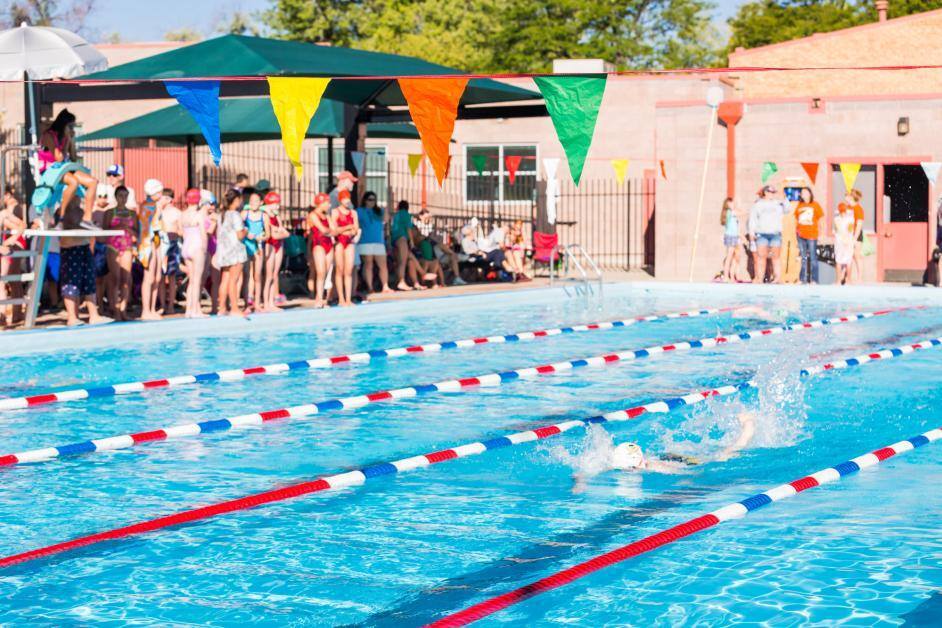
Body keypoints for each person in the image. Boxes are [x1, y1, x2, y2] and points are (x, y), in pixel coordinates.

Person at [37, 109, 98, 223]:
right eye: (70, 126)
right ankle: (61, 215)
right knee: (73, 182)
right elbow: (58, 158)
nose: (72, 129)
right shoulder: (48, 136)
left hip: (63, 169)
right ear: (63, 125)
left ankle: (87, 219)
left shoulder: (65, 137)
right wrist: (66, 141)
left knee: (93, 182)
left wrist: (70, 141)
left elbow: (74, 158)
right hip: (50, 171)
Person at [58, 199, 110, 326]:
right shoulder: (62, 212)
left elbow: (86, 225)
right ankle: (72, 316)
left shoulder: (82, 211)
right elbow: (70, 225)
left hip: (84, 246)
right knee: (71, 283)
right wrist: (87, 225)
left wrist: (92, 226)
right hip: (70, 248)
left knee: (89, 282)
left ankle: (94, 315)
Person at [102, 186, 138, 321]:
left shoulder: (132, 214)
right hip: (113, 246)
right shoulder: (110, 212)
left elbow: (136, 233)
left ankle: (123, 309)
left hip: (127, 246)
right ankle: (114, 308)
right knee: (115, 278)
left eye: (125, 196)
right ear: (116, 197)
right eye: (120, 196)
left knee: (126, 279)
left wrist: (128, 228)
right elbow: (104, 231)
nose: (123, 198)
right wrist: (118, 227)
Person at [213, 188, 248, 316]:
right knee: (234, 280)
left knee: (225, 280)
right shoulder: (235, 215)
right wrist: (246, 231)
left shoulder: (222, 214)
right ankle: (234, 308)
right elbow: (240, 235)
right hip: (235, 251)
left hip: (224, 250)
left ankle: (222, 308)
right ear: (237, 200)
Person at [747, 184, 789, 284]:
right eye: (770, 192)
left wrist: (785, 199)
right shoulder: (758, 204)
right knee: (761, 257)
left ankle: (777, 278)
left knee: (776, 257)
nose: (772, 194)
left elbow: (787, 210)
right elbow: (753, 219)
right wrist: (751, 233)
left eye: (773, 192)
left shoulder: (778, 204)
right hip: (762, 233)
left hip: (775, 234)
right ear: (765, 193)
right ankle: (760, 278)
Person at [137, 179, 166, 320]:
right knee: (148, 278)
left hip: (156, 243)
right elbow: (149, 228)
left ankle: (152, 309)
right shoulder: (147, 206)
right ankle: (145, 311)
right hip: (147, 245)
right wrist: (159, 209)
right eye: (159, 192)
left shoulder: (154, 205)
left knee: (157, 278)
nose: (161, 194)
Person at [0, 187, 27, 326]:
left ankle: (6, 315)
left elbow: (22, 225)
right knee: (11, 281)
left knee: (6, 281)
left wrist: (12, 239)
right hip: (7, 247)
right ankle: (15, 313)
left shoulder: (8, 210)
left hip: (10, 248)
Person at [356, 191, 392, 294]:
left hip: (378, 242)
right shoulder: (360, 211)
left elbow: (385, 220)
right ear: (365, 200)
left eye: (374, 200)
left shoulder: (379, 211)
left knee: (383, 265)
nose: (372, 202)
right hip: (365, 241)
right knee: (368, 264)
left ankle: (385, 286)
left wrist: (386, 210)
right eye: (370, 199)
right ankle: (370, 287)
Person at [180, 188, 209, 318]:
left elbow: (181, 232)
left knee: (191, 281)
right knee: (197, 281)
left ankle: (188, 311)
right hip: (197, 247)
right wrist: (205, 248)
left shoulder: (182, 214)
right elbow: (203, 234)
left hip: (186, 247)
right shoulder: (199, 215)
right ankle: (196, 311)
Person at [241, 189, 269, 313]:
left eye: (256, 201)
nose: (253, 203)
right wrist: (248, 234)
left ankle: (257, 303)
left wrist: (261, 238)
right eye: (251, 200)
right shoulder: (244, 213)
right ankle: (246, 304)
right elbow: (239, 228)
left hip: (258, 247)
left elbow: (268, 234)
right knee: (246, 275)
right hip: (246, 246)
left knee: (257, 275)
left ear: (261, 203)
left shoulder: (264, 216)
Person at [263, 191, 290, 311]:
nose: (277, 207)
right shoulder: (265, 216)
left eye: (278, 204)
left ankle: (272, 302)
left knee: (275, 274)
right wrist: (280, 232)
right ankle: (266, 303)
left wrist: (280, 232)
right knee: (268, 275)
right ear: (268, 204)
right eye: (275, 204)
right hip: (270, 245)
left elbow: (286, 233)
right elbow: (273, 235)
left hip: (279, 245)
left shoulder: (277, 216)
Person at [157, 188, 182, 316]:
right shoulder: (159, 211)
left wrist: (173, 233)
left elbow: (182, 231)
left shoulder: (177, 213)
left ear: (168, 199)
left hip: (172, 246)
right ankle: (162, 305)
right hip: (160, 246)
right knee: (160, 277)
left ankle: (171, 305)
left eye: (162, 197)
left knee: (171, 278)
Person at [332, 190, 359, 306]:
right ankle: (341, 299)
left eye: (348, 198)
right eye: (344, 199)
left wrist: (344, 230)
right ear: (340, 200)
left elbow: (356, 230)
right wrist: (348, 227)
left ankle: (348, 299)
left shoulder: (353, 213)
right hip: (339, 242)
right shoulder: (335, 212)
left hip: (349, 242)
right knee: (339, 269)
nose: (347, 201)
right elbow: (334, 230)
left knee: (348, 270)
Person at [307, 193, 333, 308]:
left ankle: (323, 299)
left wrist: (331, 231)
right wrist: (330, 231)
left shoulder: (327, 216)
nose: (329, 205)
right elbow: (323, 229)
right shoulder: (313, 215)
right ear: (321, 203)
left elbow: (334, 230)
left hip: (329, 244)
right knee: (320, 272)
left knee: (326, 274)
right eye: (327, 202)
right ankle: (318, 298)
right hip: (318, 245)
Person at [794, 187, 824, 285]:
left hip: (812, 234)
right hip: (800, 235)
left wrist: (820, 234)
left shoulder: (815, 205)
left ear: (810, 194)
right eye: (802, 193)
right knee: (803, 257)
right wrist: (796, 232)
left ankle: (814, 279)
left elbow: (820, 220)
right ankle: (802, 279)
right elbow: (796, 219)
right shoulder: (799, 205)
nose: (804, 195)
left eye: (806, 193)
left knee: (813, 257)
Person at [840, 189, 865, 284]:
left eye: (846, 195)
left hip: (855, 235)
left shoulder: (858, 209)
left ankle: (860, 278)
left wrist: (854, 238)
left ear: (851, 197)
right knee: (846, 256)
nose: (845, 197)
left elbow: (859, 224)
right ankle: (843, 277)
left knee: (856, 256)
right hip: (847, 235)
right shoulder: (847, 208)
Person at [391, 200, 416, 290]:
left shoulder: (396, 215)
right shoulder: (406, 214)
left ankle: (402, 281)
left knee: (402, 260)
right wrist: (412, 241)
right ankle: (401, 282)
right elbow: (409, 229)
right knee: (403, 261)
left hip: (394, 239)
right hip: (402, 238)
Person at [834, 200, 856, 285]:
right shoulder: (851, 219)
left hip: (839, 241)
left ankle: (838, 280)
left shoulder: (836, 219)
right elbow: (850, 231)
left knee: (839, 261)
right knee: (848, 261)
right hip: (847, 241)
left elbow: (836, 231)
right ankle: (848, 280)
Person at [720, 197, 742, 282]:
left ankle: (731, 276)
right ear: (728, 204)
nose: (734, 205)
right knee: (729, 257)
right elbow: (742, 213)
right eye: (732, 203)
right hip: (731, 237)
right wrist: (738, 206)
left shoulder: (729, 213)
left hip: (733, 236)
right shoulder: (731, 212)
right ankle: (726, 276)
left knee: (734, 257)